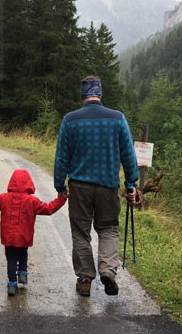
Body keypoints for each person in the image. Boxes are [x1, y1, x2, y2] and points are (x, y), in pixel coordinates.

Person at [53, 76, 140, 297]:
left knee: (81, 233)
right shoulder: (117, 119)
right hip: (108, 186)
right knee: (109, 228)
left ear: (82, 95)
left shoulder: (70, 120)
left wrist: (59, 184)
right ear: (100, 93)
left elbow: (61, 158)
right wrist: (132, 184)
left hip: (80, 187)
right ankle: (108, 271)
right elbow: (129, 156)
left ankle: (84, 280)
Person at [0, 169, 66, 296]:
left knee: (11, 258)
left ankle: (12, 283)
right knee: (23, 252)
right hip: (24, 235)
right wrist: (61, 200)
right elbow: (48, 209)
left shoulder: (4, 198)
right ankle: (23, 273)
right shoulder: (32, 201)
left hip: (8, 236)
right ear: (29, 183)